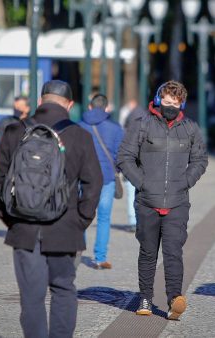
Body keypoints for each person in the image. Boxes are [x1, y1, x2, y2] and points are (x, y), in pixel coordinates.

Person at [0, 80, 103, 337]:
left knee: (31, 297)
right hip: (65, 228)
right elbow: (93, 183)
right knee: (63, 290)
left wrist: (11, 217)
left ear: (40, 101)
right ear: (70, 104)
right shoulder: (80, 136)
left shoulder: (14, 131)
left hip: (24, 229)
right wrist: (80, 220)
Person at [117, 80, 208, 320]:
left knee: (173, 252)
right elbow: (124, 157)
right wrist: (142, 183)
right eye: (166, 102)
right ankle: (145, 298)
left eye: (175, 103)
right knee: (148, 253)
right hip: (147, 201)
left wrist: (185, 181)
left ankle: (174, 300)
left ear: (182, 104)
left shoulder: (190, 128)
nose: (170, 106)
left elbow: (200, 160)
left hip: (177, 202)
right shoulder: (141, 125)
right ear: (158, 101)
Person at [77, 94, 124, 269]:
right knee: (104, 218)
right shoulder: (115, 128)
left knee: (81, 214)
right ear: (106, 108)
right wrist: (116, 170)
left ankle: (77, 251)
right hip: (107, 178)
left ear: (90, 107)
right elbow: (121, 155)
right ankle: (100, 258)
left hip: (84, 177)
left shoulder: (79, 126)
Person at [121, 99, 147, 232]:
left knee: (131, 193)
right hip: (142, 167)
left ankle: (133, 221)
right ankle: (139, 220)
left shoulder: (129, 127)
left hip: (131, 166)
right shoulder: (147, 123)